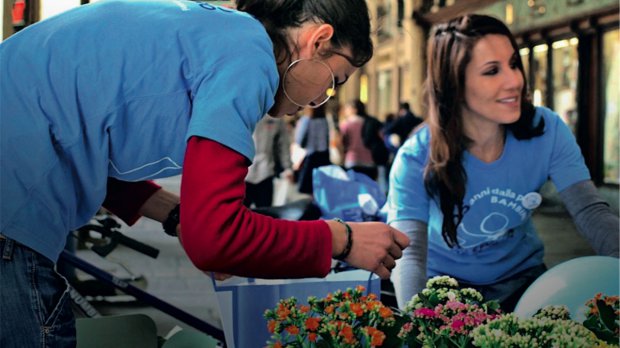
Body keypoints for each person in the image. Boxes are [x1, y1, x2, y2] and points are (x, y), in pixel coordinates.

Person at [0, 1, 410, 346]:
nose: (321, 100)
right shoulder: (249, 57)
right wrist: (343, 239)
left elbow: (81, 147)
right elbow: (214, 238)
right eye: (334, 81)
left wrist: (175, 214)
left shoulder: (211, 33)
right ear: (317, 41)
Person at [386, 14, 619, 312]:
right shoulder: (415, 157)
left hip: (525, 284)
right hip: (443, 291)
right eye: (492, 71)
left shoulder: (546, 128)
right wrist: (418, 324)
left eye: (513, 64)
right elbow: (410, 253)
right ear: (454, 83)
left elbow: (590, 211)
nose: (514, 81)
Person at [245, 115, 293, 208]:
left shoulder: (276, 116)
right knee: (240, 216)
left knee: (264, 212)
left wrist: (288, 167)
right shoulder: (241, 113)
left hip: (265, 173)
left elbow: (283, 145)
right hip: (243, 174)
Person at [339, 99, 383, 180]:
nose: (345, 111)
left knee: (353, 189)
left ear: (354, 109)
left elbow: (341, 142)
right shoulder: (370, 122)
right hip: (370, 161)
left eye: (347, 108)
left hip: (352, 160)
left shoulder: (346, 124)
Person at [293, 104, 332, 194]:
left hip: (311, 155)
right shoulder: (324, 120)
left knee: (309, 186)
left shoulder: (306, 120)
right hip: (324, 155)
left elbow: (299, 140)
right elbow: (327, 138)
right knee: (322, 186)